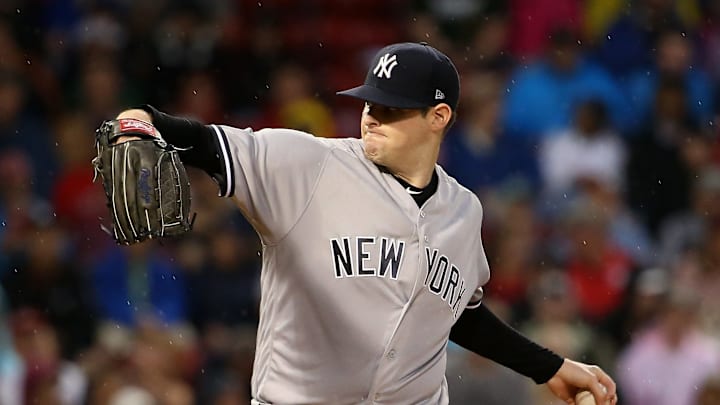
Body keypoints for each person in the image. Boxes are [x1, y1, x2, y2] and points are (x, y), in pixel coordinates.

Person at [111, 42, 617, 404]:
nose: (371, 115)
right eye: (369, 102)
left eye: (391, 108)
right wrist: (137, 123)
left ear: (438, 117)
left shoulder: (464, 212)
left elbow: (453, 311)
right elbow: (198, 139)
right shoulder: (308, 165)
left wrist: (550, 367)